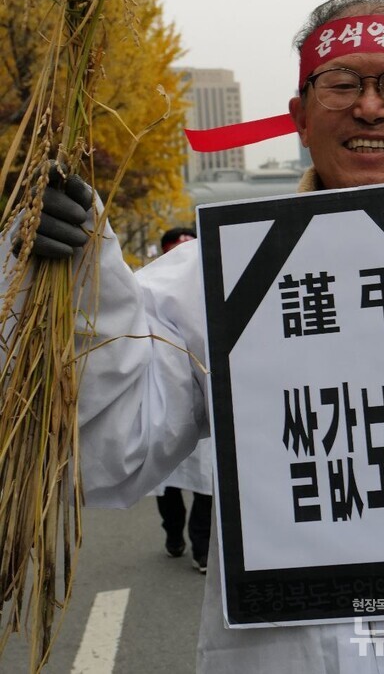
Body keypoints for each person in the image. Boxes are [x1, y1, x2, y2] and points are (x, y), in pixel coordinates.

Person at [3, 0, 384, 673]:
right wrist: (75, 280)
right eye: (342, 84)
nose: (370, 106)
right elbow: (114, 446)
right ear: (300, 117)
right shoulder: (210, 280)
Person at [150, 227, 212, 573]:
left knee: (207, 483)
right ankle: (173, 534)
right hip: (168, 409)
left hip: (208, 406)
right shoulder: (149, 295)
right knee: (169, 486)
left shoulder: (220, 286)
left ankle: (201, 549)